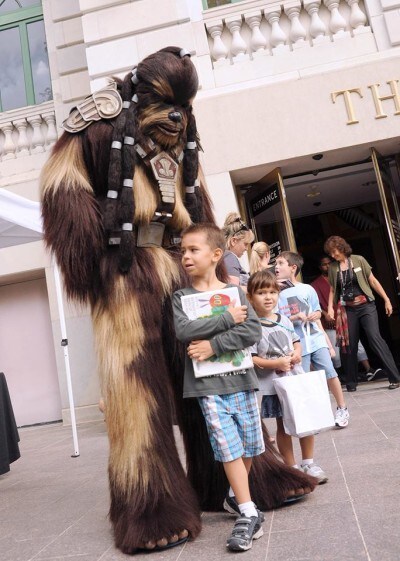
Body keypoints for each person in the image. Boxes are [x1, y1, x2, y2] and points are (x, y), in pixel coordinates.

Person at [172, 223, 265, 552]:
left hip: (242, 380)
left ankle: (234, 496)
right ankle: (248, 512)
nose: (185, 256)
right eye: (183, 250)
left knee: (249, 447)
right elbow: (185, 331)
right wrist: (227, 318)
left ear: (215, 255)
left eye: (193, 250)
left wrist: (212, 346)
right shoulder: (181, 298)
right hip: (207, 388)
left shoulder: (237, 292)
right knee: (228, 448)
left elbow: (252, 331)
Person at [247, 270, 327, 484]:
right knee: (283, 425)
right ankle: (291, 467)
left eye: (272, 292)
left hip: (295, 380)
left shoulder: (284, 319)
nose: (268, 297)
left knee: (305, 421)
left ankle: (309, 462)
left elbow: (295, 341)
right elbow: (252, 358)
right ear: (250, 297)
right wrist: (275, 363)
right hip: (273, 386)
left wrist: (297, 353)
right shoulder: (251, 326)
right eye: (261, 292)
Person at [275, 251, 350, 430]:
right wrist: (294, 317)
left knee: (330, 373)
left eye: (280, 263)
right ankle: (310, 417)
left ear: (293, 268)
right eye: (275, 264)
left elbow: (317, 313)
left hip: (315, 339)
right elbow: (275, 318)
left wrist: (327, 340)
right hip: (296, 344)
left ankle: (342, 408)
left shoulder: (308, 289)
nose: (276, 267)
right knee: (303, 380)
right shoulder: (276, 292)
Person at [324, 236, 400, 391]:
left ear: (342, 247)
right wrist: (331, 308)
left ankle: (395, 377)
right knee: (349, 344)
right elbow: (332, 289)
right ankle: (351, 383)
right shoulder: (333, 268)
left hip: (366, 306)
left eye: (334, 251)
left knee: (374, 338)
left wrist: (386, 299)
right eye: (330, 253)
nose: (333, 255)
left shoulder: (359, 260)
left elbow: (373, 281)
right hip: (347, 309)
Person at [311, 255, 382, 382]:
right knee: (335, 350)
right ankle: (338, 375)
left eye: (329, 263)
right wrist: (325, 313)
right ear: (319, 267)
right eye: (324, 264)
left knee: (356, 344)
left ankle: (368, 369)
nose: (327, 266)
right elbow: (314, 304)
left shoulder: (340, 276)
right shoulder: (315, 284)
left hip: (345, 314)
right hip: (329, 321)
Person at [223, 212, 255, 290]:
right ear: (234, 241)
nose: (247, 249)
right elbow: (233, 290)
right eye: (245, 244)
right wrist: (257, 289)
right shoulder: (230, 257)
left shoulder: (224, 257)